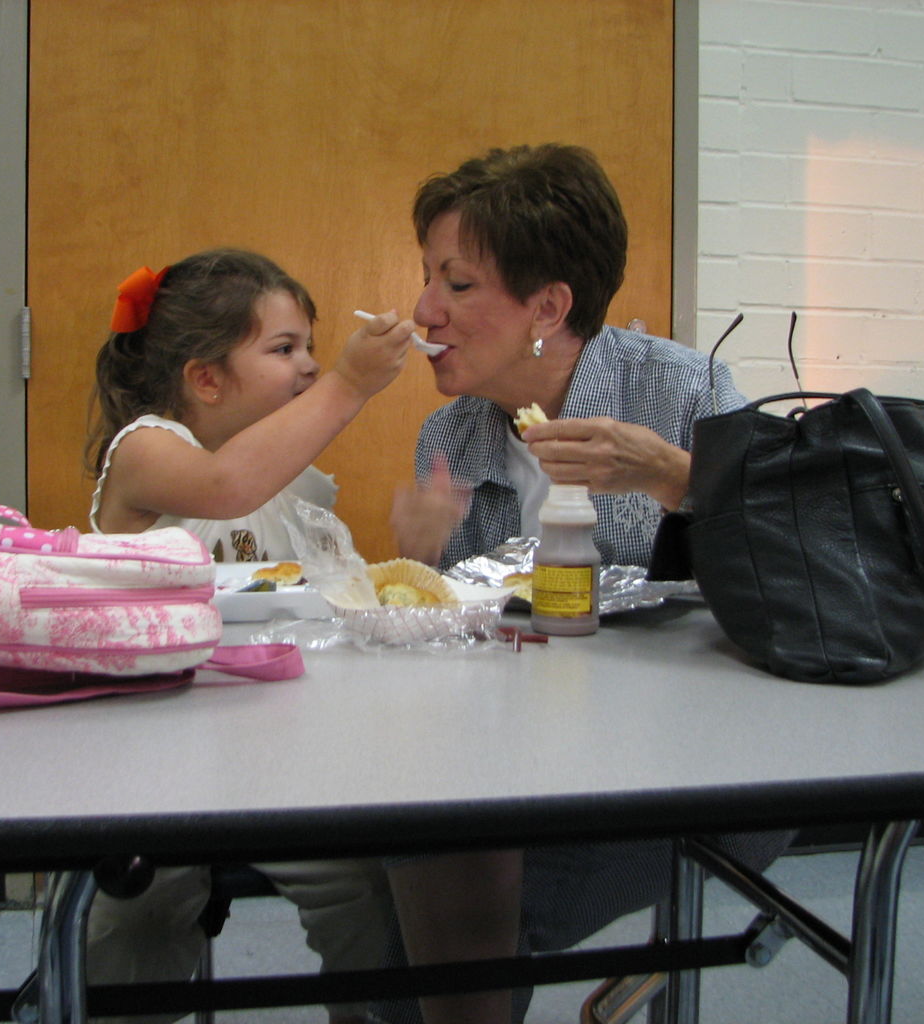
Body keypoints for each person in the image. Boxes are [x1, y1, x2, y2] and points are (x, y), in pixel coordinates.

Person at [380, 144, 792, 1024]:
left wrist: (675, 475)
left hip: (685, 760)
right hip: (519, 758)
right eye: (427, 279)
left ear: (548, 307)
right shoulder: (448, 435)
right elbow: (460, 662)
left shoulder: (684, 392)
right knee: (390, 873)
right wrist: (418, 570)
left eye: (454, 283)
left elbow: (776, 574)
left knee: (447, 898)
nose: (422, 311)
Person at [84, 247, 413, 1024]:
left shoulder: (294, 490)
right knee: (137, 916)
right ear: (205, 378)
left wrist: (419, 553)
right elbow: (225, 488)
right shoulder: (145, 451)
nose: (308, 366)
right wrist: (349, 382)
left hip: (281, 766)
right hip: (154, 767)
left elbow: (339, 610)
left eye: (311, 347)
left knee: (363, 886)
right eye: (284, 348)